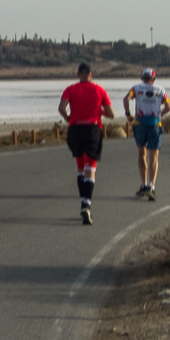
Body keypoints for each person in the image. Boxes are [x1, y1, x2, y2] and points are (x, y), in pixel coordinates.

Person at [59, 62, 115, 225]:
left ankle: (82, 201)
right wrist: (99, 110)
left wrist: (69, 118)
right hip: (92, 130)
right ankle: (87, 204)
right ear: (92, 74)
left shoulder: (71, 89)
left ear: (78, 75)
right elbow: (111, 114)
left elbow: (61, 108)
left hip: (75, 130)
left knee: (80, 168)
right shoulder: (99, 90)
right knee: (90, 169)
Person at [123, 68, 170, 201]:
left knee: (141, 153)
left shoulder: (136, 88)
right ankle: (152, 186)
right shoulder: (160, 89)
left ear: (141, 77)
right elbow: (168, 106)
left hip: (139, 123)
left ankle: (143, 185)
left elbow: (126, 99)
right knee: (154, 156)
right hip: (155, 123)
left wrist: (128, 115)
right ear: (154, 78)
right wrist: (159, 115)